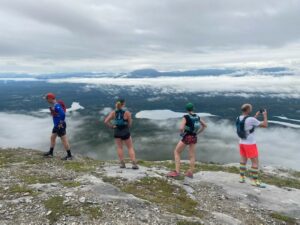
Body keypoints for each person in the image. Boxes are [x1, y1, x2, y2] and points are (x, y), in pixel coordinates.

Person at [167, 103, 207, 178]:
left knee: (177, 152)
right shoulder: (197, 116)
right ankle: (190, 172)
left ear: (187, 109)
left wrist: (182, 134)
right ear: (193, 108)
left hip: (187, 136)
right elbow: (205, 125)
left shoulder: (186, 117)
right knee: (192, 155)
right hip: (194, 137)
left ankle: (177, 172)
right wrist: (197, 133)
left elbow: (181, 128)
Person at [236, 103, 268, 188]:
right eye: (250, 108)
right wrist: (265, 115)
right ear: (248, 110)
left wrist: (256, 115)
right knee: (255, 162)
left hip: (242, 142)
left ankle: (241, 177)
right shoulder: (250, 119)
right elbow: (265, 125)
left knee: (243, 160)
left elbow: (248, 122)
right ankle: (254, 181)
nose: (251, 109)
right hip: (250, 144)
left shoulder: (238, 118)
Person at [104, 98, 139, 169]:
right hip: (125, 130)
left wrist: (112, 126)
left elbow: (106, 121)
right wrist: (127, 127)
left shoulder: (113, 113)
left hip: (117, 130)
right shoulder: (127, 113)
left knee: (120, 147)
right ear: (123, 104)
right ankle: (134, 164)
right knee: (130, 147)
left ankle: (122, 164)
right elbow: (129, 124)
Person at [43, 93, 73, 160]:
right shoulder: (55, 105)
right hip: (56, 125)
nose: (47, 100)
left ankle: (69, 155)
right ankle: (50, 153)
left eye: (47, 99)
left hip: (60, 126)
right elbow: (59, 114)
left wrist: (60, 123)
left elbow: (63, 114)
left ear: (50, 98)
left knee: (64, 140)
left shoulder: (57, 106)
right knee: (52, 138)